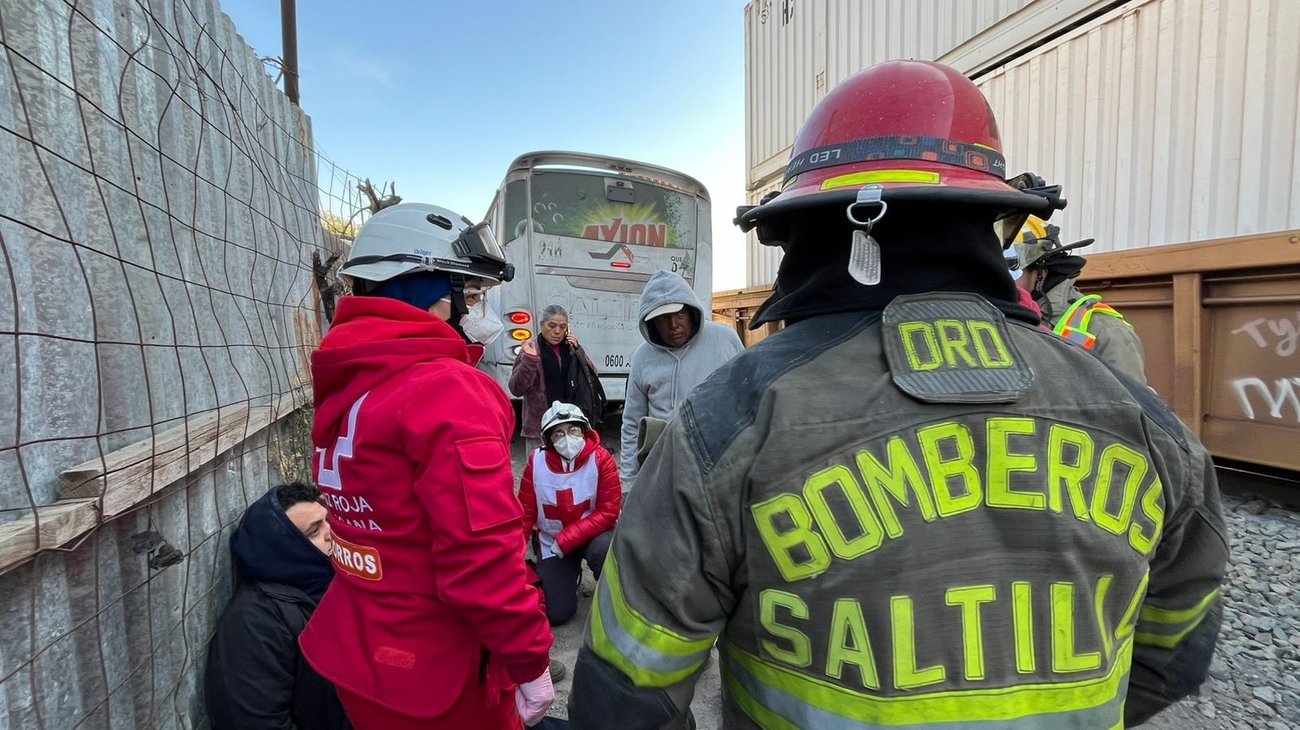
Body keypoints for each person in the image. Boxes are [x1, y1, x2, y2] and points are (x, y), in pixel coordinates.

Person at [569, 60, 1228, 729]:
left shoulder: (727, 422)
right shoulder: (1145, 423)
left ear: (806, 231)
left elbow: (628, 690)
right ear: (990, 221)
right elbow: (1175, 652)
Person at [299, 203, 556, 729]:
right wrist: (530, 662)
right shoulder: (446, 388)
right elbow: (482, 558)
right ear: (432, 295)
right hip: (437, 673)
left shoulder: (349, 378)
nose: (477, 311)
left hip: (358, 650)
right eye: (472, 294)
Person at [205, 482, 351, 729]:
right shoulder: (256, 618)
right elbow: (255, 721)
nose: (331, 533)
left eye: (329, 521)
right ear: (284, 548)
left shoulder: (339, 587)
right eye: (314, 531)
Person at [620, 270, 743, 491]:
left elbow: (747, 397)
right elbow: (632, 423)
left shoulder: (724, 340)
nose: (674, 325)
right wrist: (628, 484)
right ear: (652, 322)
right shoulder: (642, 357)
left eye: (679, 315)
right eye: (663, 318)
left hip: (717, 462)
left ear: (691, 313)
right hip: (665, 467)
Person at [1010, 216, 1148, 383]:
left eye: (1010, 269)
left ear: (1041, 270)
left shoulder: (1106, 332)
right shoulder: (994, 318)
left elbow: (1128, 405)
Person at [519, 401, 621, 625]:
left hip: (593, 537)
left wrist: (566, 540)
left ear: (584, 430)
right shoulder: (536, 463)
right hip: (551, 543)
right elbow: (525, 514)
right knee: (557, 613)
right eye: (558, 434)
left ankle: (608, 586)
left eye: (572, 429)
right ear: (548, 440)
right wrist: (513, 558)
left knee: (608, 551)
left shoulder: (601, 460)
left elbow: (609, 510)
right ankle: (562, 573)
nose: (567, 438)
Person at [509, 305, 601, 453]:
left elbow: (592, 376)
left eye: (563, 327)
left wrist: (578, 351)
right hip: (539, 428)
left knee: (569, 472)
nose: (557, 331)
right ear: (541, 325)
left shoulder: (571, 348)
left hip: (570, 423)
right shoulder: (532, 350)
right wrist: (530, 361)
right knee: (539, 472)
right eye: (552, 326)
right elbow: (516, 389)